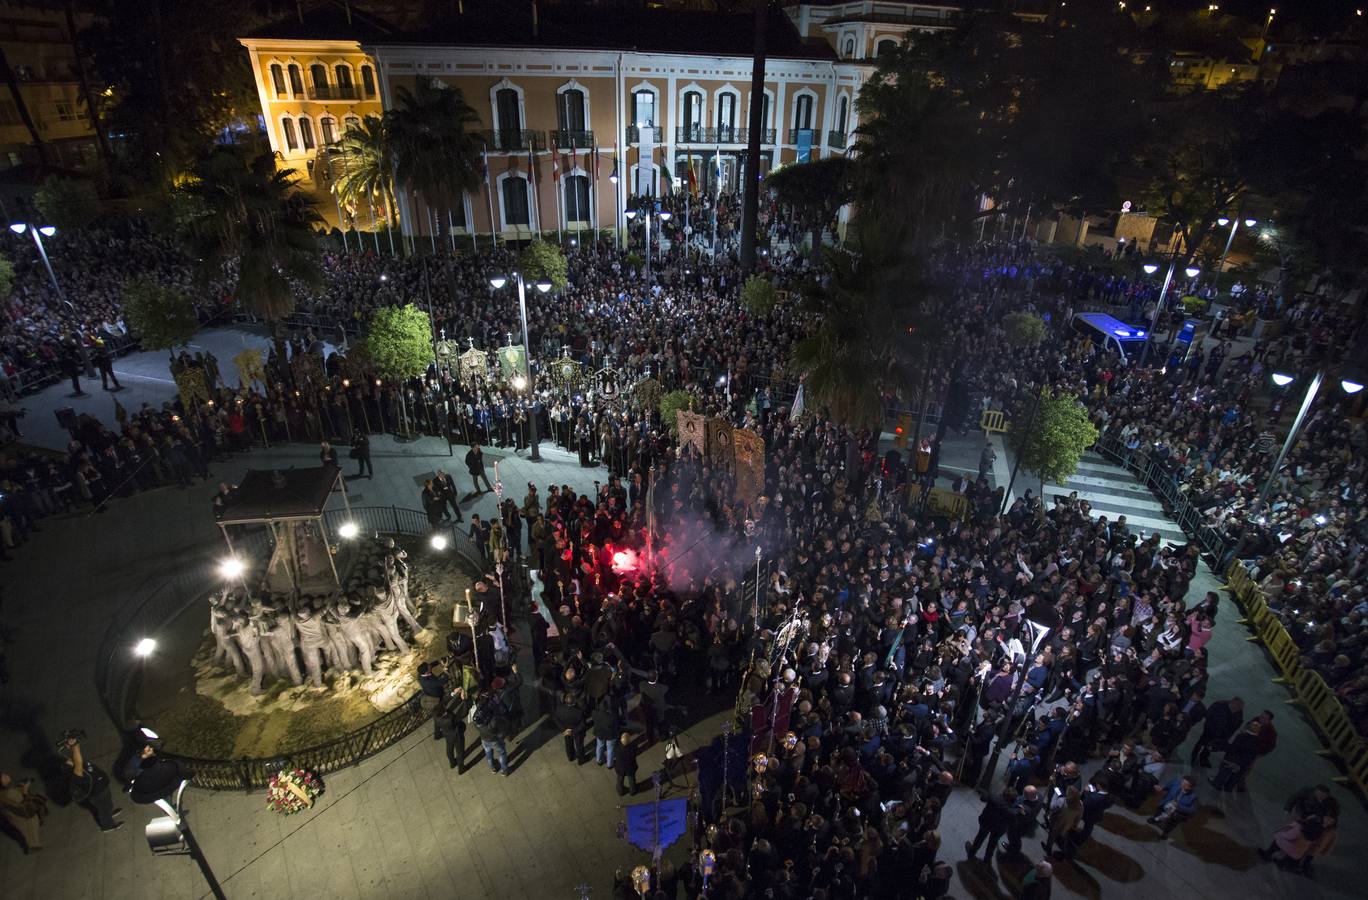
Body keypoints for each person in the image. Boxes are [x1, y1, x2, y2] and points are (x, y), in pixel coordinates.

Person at [62, 734, 123, 832]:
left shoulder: (78, 767)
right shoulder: (77, 774)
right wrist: (74, 745)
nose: (69, 760)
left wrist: (71, 746)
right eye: (68, 762)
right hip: (98, 793)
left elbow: (76, 758)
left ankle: (109, 813)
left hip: (102, 787)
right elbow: (78, 760)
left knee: (107, 805)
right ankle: (107, 826)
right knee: (103, 809)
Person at [965, 786, 1015, 861]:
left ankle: (972, 852)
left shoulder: (994, 798)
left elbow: (983, 798)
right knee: (993, 843)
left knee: (980, 837)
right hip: (999, 829)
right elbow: (1013, 821)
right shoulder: (1011, 811)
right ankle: (987, 858)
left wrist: (985, 793)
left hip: (987, 822)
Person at [0, 770, 45, 853]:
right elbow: (23, 808)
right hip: (22, 816)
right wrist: (25, 791)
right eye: (5, 777)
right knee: (31, 822)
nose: (8, 776)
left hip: (15, 815)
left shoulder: (4, 793)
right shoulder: (7, 795)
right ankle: (33, 845)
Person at [472, 686, 510, 775]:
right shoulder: (492, 722)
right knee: (502, 753)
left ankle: (493, 768)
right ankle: (504, 770)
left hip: (484, 739)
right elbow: (501, 715)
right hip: (494, 740)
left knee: (488, 753)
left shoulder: (476, 722)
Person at [614, 732, 638, 796]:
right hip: (630, 767)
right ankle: (632, 791)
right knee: (631, 779)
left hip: (620, 767)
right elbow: (635, 753)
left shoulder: (617, 747)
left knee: (620, 779)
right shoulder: (632, 748)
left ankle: (620, 791)